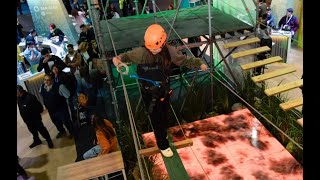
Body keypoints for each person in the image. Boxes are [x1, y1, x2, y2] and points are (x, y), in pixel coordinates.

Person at [112, 24, 207, 157]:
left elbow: (183, 60)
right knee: (156, 119)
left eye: (156, 48)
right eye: (151, 48)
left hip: (164, 91)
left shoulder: (169, 51)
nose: (153, 51)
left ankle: (163, 134)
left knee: (164, 115)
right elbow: (125, 56)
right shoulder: (141, 53)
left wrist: (198, 63)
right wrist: (117, 60)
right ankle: (162, 145)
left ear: (163, 43)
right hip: (149, 94)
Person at [40, 74, 74, 138]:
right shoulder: (42, 87)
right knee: (56, 122)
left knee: (66, 122)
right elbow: (43, 95)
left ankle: (72, 132)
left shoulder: (60, 86)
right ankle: (62, 131)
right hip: (51, 110)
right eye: (44, 80)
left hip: (61, 109)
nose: (46, 82)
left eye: (48, 80)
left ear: (52, 80)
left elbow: (68, 95)